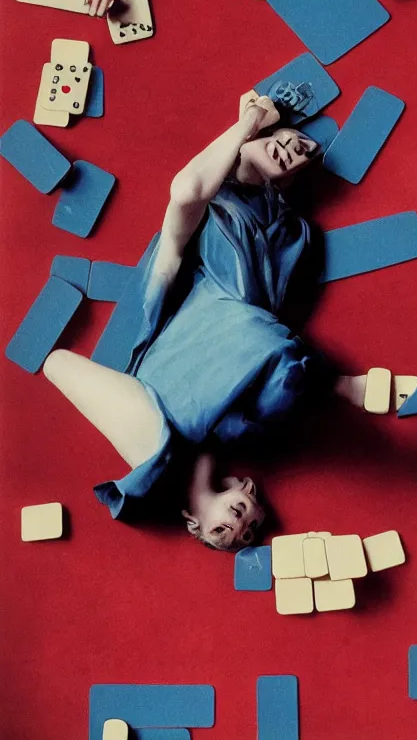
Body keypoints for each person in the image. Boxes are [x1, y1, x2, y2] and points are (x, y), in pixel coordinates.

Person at [42, 93, 332, 551]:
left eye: (226, 535)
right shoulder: (218, 200)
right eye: (249, 531)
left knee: (162, 444)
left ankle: (321, 377)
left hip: (206, 361)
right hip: (225, 334)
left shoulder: (294, 232)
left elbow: (57, 362)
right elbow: (185, 194)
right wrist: (248, 124)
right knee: (276, 377)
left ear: (192, 525)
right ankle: (332, 382)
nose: (241, 530)